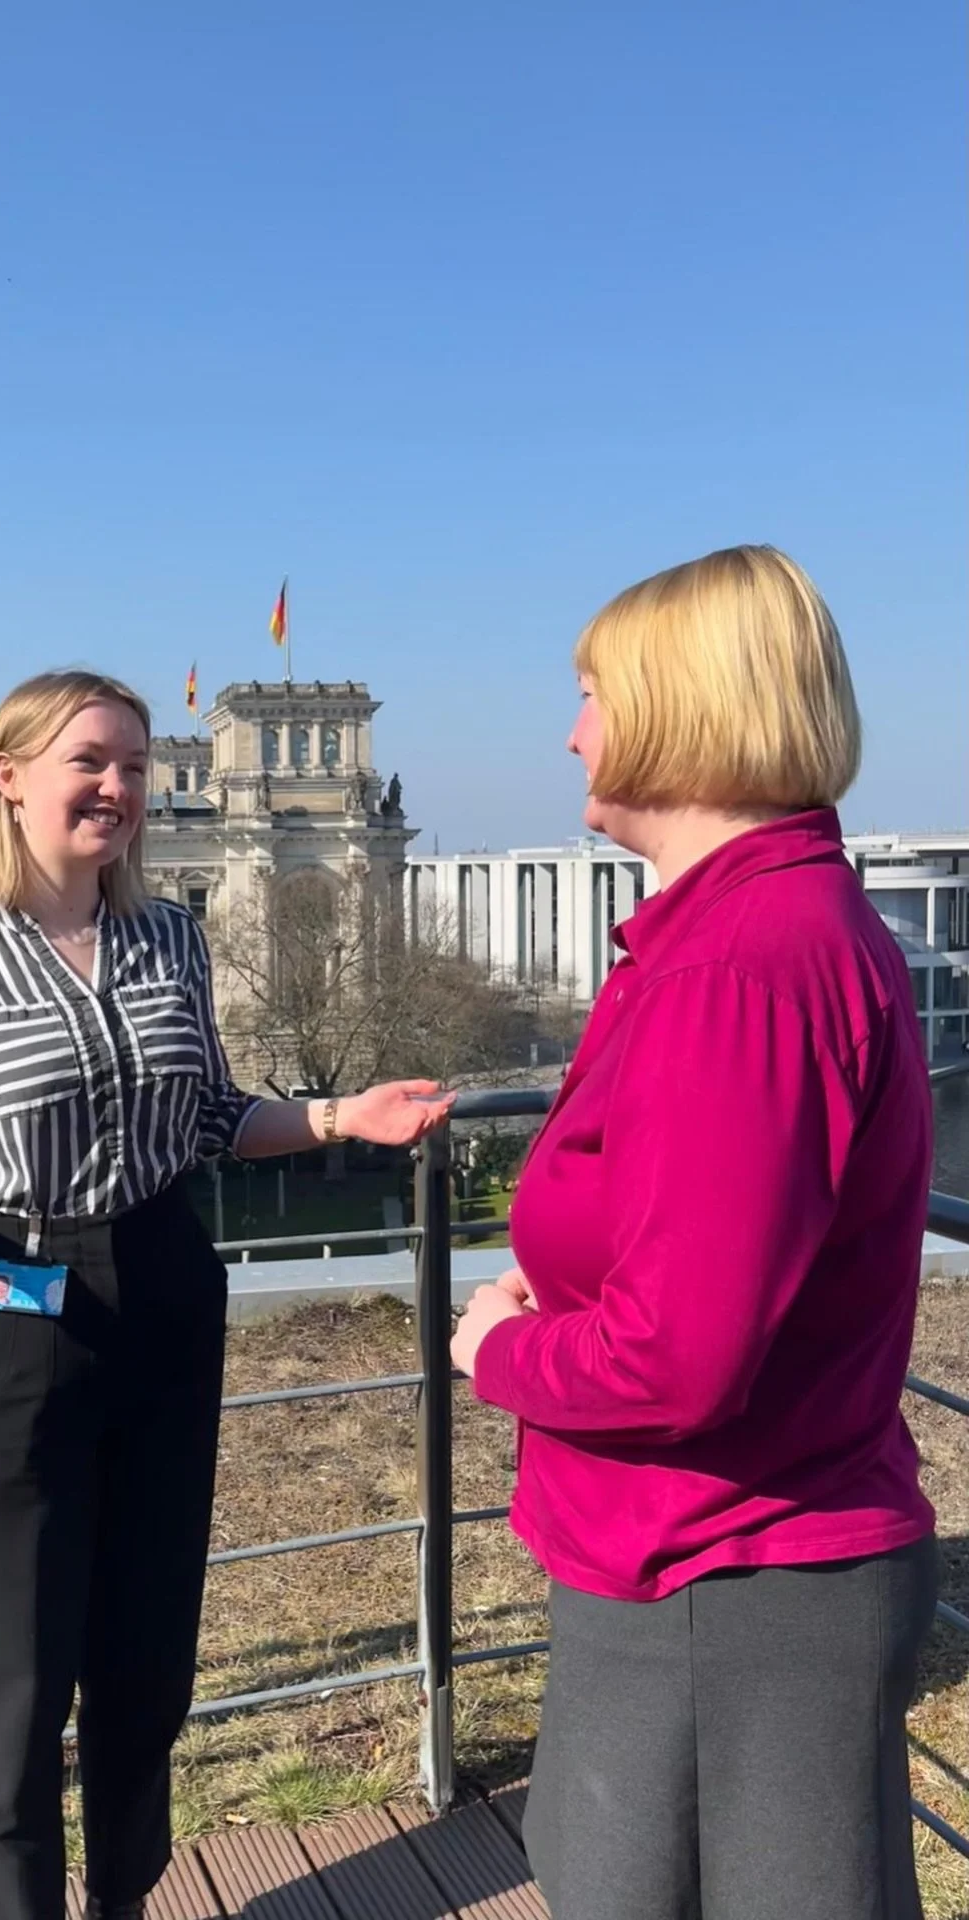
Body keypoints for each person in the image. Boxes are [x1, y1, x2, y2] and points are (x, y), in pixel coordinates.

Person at [0, 669, 453, 1920]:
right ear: (10, 778)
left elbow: (205, 1116)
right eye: (90, 761)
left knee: (148, 1656)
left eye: (135, 766)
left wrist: (339, 1115)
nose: (119, 788)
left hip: (164, 1285)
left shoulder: (173, 939)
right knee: (20, 1670)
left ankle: (128, 1898)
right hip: (16, 1293)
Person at [450, 547, 938, 1920]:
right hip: (704, 1566)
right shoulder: (741, 937)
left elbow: (680, 1359)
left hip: (733, 1579)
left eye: (595, 694)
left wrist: (503, 1352)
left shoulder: (744, 966)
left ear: (685, 708)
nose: (571, 731)